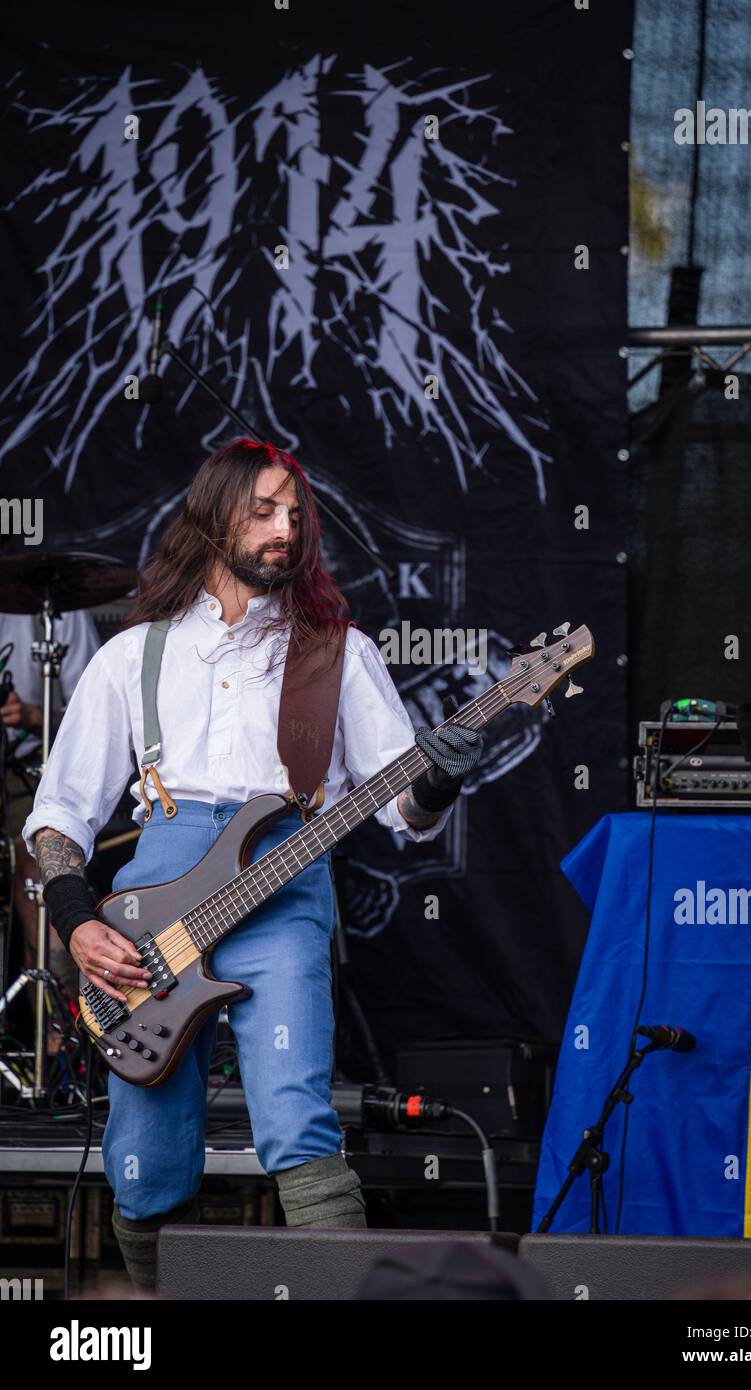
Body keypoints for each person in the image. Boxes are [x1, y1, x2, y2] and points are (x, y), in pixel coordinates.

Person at [22, 437, 482, 1292]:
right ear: (212, 518)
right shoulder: (137, 654)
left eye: (294, 515)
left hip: (284, 898)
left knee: (299, 1126)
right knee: (145, 1162)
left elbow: (402, 810)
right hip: (151, 918)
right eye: (263, 510)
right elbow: (57, 815)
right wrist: (78, 921)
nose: (284, 529)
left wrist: (440, 781)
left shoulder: (334, 651)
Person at [0, 606, 101, 1015]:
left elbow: (96, 716)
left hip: (22, 769)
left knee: (40, 870)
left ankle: (56, 1033)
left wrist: (33, 716)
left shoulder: (56, 610)